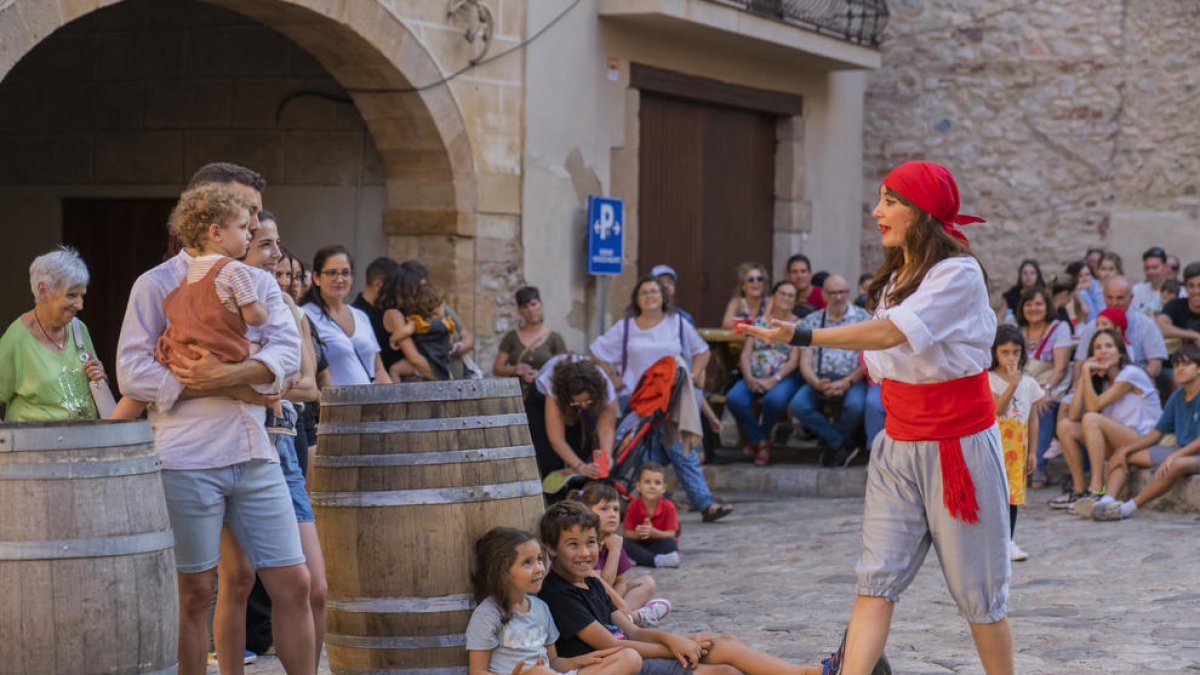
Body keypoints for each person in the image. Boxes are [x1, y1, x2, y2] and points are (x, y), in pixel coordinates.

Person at [742, 160, 1012, 674]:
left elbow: (889, 336)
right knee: (875, 581)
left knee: (980, 594)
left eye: (890, 201)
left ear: (921, 212)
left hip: (957, 447)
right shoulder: (895, 277)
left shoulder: (958, 272)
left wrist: (802, 334)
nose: (876, 211)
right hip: (898, 443)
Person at [115, 162, 313, 675]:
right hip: (185, 456)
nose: (253, 225)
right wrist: (198, 380)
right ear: (212, 221)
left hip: (254, 453)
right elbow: (132, 369)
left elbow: (287, 355)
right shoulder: (156, 284)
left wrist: (222, 377)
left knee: (295, 583)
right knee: (195, 591)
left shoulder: (256, 282)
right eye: (245, 216)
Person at [212, 210, 327, 669]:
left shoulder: (286, 308)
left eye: (277, 246)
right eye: (266, 245)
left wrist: (255, 382)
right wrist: (260, 383)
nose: (278, 257)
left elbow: (305, 383)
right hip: (234, 443)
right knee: (236, 581)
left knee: (313, 586)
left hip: (283, 444)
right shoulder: (220, 303)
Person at [537, 502, 830, 675]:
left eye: (590, 543)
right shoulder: (558, 593)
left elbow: (633, 630)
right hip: (621, 664)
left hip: (635, 649)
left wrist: (675, 639)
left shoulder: (590, 582)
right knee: (724, 672)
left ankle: (809, 673)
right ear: (551, 548)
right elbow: (613, 645)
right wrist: (674, 647)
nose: (585, 553)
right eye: (572, 545)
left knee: (724, 641)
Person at [589, 276, 732, 523]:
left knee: (680, 450)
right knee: (639, 453)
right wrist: (612, 375)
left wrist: (692, 375)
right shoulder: (625, 328)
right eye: (644, 292)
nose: (649, 296)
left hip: (672, 401)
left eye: (654, 291)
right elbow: (596, 351)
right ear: (636, 298)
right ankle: (640, 508)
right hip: (637, 402)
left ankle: (705, 503)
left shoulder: (677, 324)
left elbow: (702, 351)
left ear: (663, 297)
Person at [150, 183, 276, 417]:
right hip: (220, 347)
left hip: (183, 348)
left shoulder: (192, 269)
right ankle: (248, 393)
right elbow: (254, 317)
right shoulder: (234, 270)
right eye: (242, 227)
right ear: (216, 232)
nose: (250, 234)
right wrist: (265, 310)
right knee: (260, 351)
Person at [466, 526, 642, 675]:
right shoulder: (488, 614)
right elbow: (477, 672)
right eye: (527, 563)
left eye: (540, 560)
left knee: (630, 657)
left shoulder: (540, 608)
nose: (539, 569)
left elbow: (555, 662)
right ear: (501, 571)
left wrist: (579, 660)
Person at [1051, 329, 1162, 511]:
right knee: (1065, 427)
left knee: (1092, 418)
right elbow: (1072, 415)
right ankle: (1079, 490)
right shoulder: (1102, 381)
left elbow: (1093, 408)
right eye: (1098, 347)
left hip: (1143, 439)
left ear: (1120, 352)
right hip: (1119, 439)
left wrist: (1086, 372)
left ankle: (1096, 488)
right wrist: (1085, 373)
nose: (1103, 351)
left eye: (1109, 346)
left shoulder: (1130, 373)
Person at [1091, 343, 1200, 521]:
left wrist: (1175, 456)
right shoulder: (1177, 396)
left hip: (1190, 455)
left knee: (1176, 464)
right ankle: (1107, 501)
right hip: (1181, 450)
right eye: (1176, 365)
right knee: (1123, 455)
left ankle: (1127, 508)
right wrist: (1125, 449)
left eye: (1186, 365)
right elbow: (1157, 433)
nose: (1179, 369)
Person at [0, 247, 109, 421]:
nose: (80, 305)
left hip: (86, 442)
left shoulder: (79, 329)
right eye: (71, 295)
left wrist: (100, 376)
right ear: (43, 291)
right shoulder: (16, 340)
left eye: (82, 296)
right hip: (37, 444)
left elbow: (87, 387)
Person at [789, 274, 871, 468]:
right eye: (833, 293)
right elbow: (805, 362)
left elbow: (869, 359)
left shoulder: (863, 318)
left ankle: (835, 443)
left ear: (849, 293)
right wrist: (815, 382)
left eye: (843, 292)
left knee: (856, 406)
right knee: (798, 405)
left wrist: (848, 381)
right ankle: (842, 443)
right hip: (820, 379)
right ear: (824, 296)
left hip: (853, 379)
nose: (839, 297)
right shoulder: (811, 321)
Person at [724, 281, 802, 465]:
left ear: (795, 300)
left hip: (784, 377)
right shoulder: (759, 322)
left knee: (773, 401)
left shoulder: (799, 324)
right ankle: (760, 440)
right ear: (774, 297)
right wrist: (749, 377)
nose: (786, 298)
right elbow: (746, 353)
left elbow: (795, 359)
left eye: (791, 295)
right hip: (755, 376)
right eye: (782, 294)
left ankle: (760, 439)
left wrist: (774, 379)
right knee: (734, 398)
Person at [578, 482, 670, 627]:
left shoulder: (613, 539)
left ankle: (622, 617)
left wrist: (616, 602)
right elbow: (600, 587)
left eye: (616, 509)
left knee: (647, 582)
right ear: (586, 513)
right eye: (604, 509)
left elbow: (621, 581)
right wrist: (614, 551)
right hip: (586, 600)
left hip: (606, 600)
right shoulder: (584, 542)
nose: (612, 515)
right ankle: (631, 617)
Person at [988, 325, 1042, 562]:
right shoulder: (988, 379)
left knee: (1012, 497)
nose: (1011, 358)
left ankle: (1008, 541)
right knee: (993, 495)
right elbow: (996, 409)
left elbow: (1033, 419)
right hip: (996, 444)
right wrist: (1011, 384)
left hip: (1017, 447)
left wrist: (1032, 452)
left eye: (1016, 352)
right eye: (1005, 352)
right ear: (995, 354)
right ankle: (991, 542)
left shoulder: (1029, 383)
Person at [302, 245, 390, 385]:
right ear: (316, 278)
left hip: (370, 404)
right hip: (331, 404)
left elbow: (379, 370)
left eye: (345, 273)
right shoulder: (305, 316)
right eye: (332, 273)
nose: (340, 279)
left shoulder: (361, 316)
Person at [527, 354, 618, 485]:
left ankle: (577, 493)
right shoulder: (552, 384)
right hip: (541, 401)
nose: (585, 406)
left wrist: (606, 456)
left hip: (580, 397)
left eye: (588, 401)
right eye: (579, 403)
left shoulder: (605, 387)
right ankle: (551, 498)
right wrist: (579, 466)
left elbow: (606, 429)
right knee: (548, 457)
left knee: (584, 446)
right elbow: (556, 438)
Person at [1014, 286, 1072, 488]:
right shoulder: (1017, 329)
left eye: (1038, 304)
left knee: (1042, 405)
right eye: (1029, 304)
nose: (1033, 308)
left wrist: (1045, 390)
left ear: (1047, 306)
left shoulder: (1059, 328)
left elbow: (1061, 366)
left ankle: (1037, 465)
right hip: (1021, 386)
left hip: (1050, 385)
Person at [1073, 275, 1167, 380]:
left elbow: (1155, 365)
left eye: (1120, 298)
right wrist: (1077, 386)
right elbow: (1079, 362)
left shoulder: (1146, 325)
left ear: (1131, 298)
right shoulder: (1092, 326)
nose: (1114, 303)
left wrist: (1134, 384)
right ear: (1104, 297)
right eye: (1110, 298)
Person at [494, 286, 567, 392]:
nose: (530, 310)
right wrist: (514, 369)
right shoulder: (511, 337)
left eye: (533, 304)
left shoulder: (555, 338)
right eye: (525, 306)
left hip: (543, 398)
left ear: (541, 305)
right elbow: (497, 368)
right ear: (520, 311)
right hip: (517, 397)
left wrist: (540, 374)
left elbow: (563, 369)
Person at [622, 463, 681, 569]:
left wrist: (653, 532)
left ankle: (643, 559)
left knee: (670, 543)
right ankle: (656, 560)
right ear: (638, 486)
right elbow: (628, 533)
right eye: (647, 482)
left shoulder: (669, 506)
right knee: (623, 543)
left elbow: (671, 534)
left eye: (657, 483)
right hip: (640, 544)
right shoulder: (632, 506)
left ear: (663, 488)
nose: (652, 486)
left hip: (659, 544)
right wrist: (639, 534)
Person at [405, 282, 457, 380]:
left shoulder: (418, 322)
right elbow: (450, 342)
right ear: (438, 306)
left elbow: (405, 332)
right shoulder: (446, 324)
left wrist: (393, 339)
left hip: (421, 366)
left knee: (394, 369)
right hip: (441, 365)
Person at [1156, 262, 1200, 348]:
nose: (1196, 291)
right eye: (1191, 286)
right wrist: (1194, 335)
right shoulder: (1175, 305)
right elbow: (1159, 326)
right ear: (1186, 288)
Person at [720, 262, 768, 330]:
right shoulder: (736, 302)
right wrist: (756, 326)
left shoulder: (769, 302)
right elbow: (726, 324)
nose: (756, 282)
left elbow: (771, 325)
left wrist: (743, 325)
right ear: (743, 286)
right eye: (751, 279)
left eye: (760, 279)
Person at [1131, 246, 1176, 316]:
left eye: (1154, 267)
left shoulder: (1179, 292)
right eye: (1147, 268)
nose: (1150, 272)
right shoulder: (1136, 291)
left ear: (1165, 267)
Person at [997, 259, 1044, 324]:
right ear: (1020, 275)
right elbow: (999, 317)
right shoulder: (1011, 295)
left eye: (1032, 273)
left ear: (1037, 276)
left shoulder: (1043, 295)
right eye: (1025, 273)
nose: (1028, 276)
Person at [786, 253, 817, 318]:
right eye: (794, 272)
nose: (799, 276)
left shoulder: (822, 296)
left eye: (803, 271)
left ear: (810, 274)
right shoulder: (783, 296)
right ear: (788, 276)